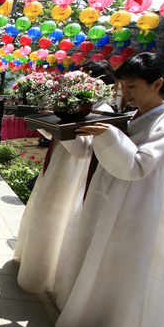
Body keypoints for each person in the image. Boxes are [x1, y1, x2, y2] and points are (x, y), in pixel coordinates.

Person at [53, 52, 164, 327]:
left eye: (132, 87)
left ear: (157, 84)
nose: (125, 94)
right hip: (107, 191)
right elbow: (92, 151)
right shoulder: (129, 116)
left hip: (140, 201)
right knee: (96, 248)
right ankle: (88, 314)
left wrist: (109, 136)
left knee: (125, 261)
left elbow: (137, 166)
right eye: (123, 87)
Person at [13, 61, 115, 294]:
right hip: (58, 163)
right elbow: (57, 135)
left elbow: (84, 150)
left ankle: (42, 275)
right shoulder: (78, 104)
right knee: (41, 212)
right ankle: (30, 265)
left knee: (54, 220)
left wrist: (60, 125)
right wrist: (42, 121)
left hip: (73, 173)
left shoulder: (104, 112)